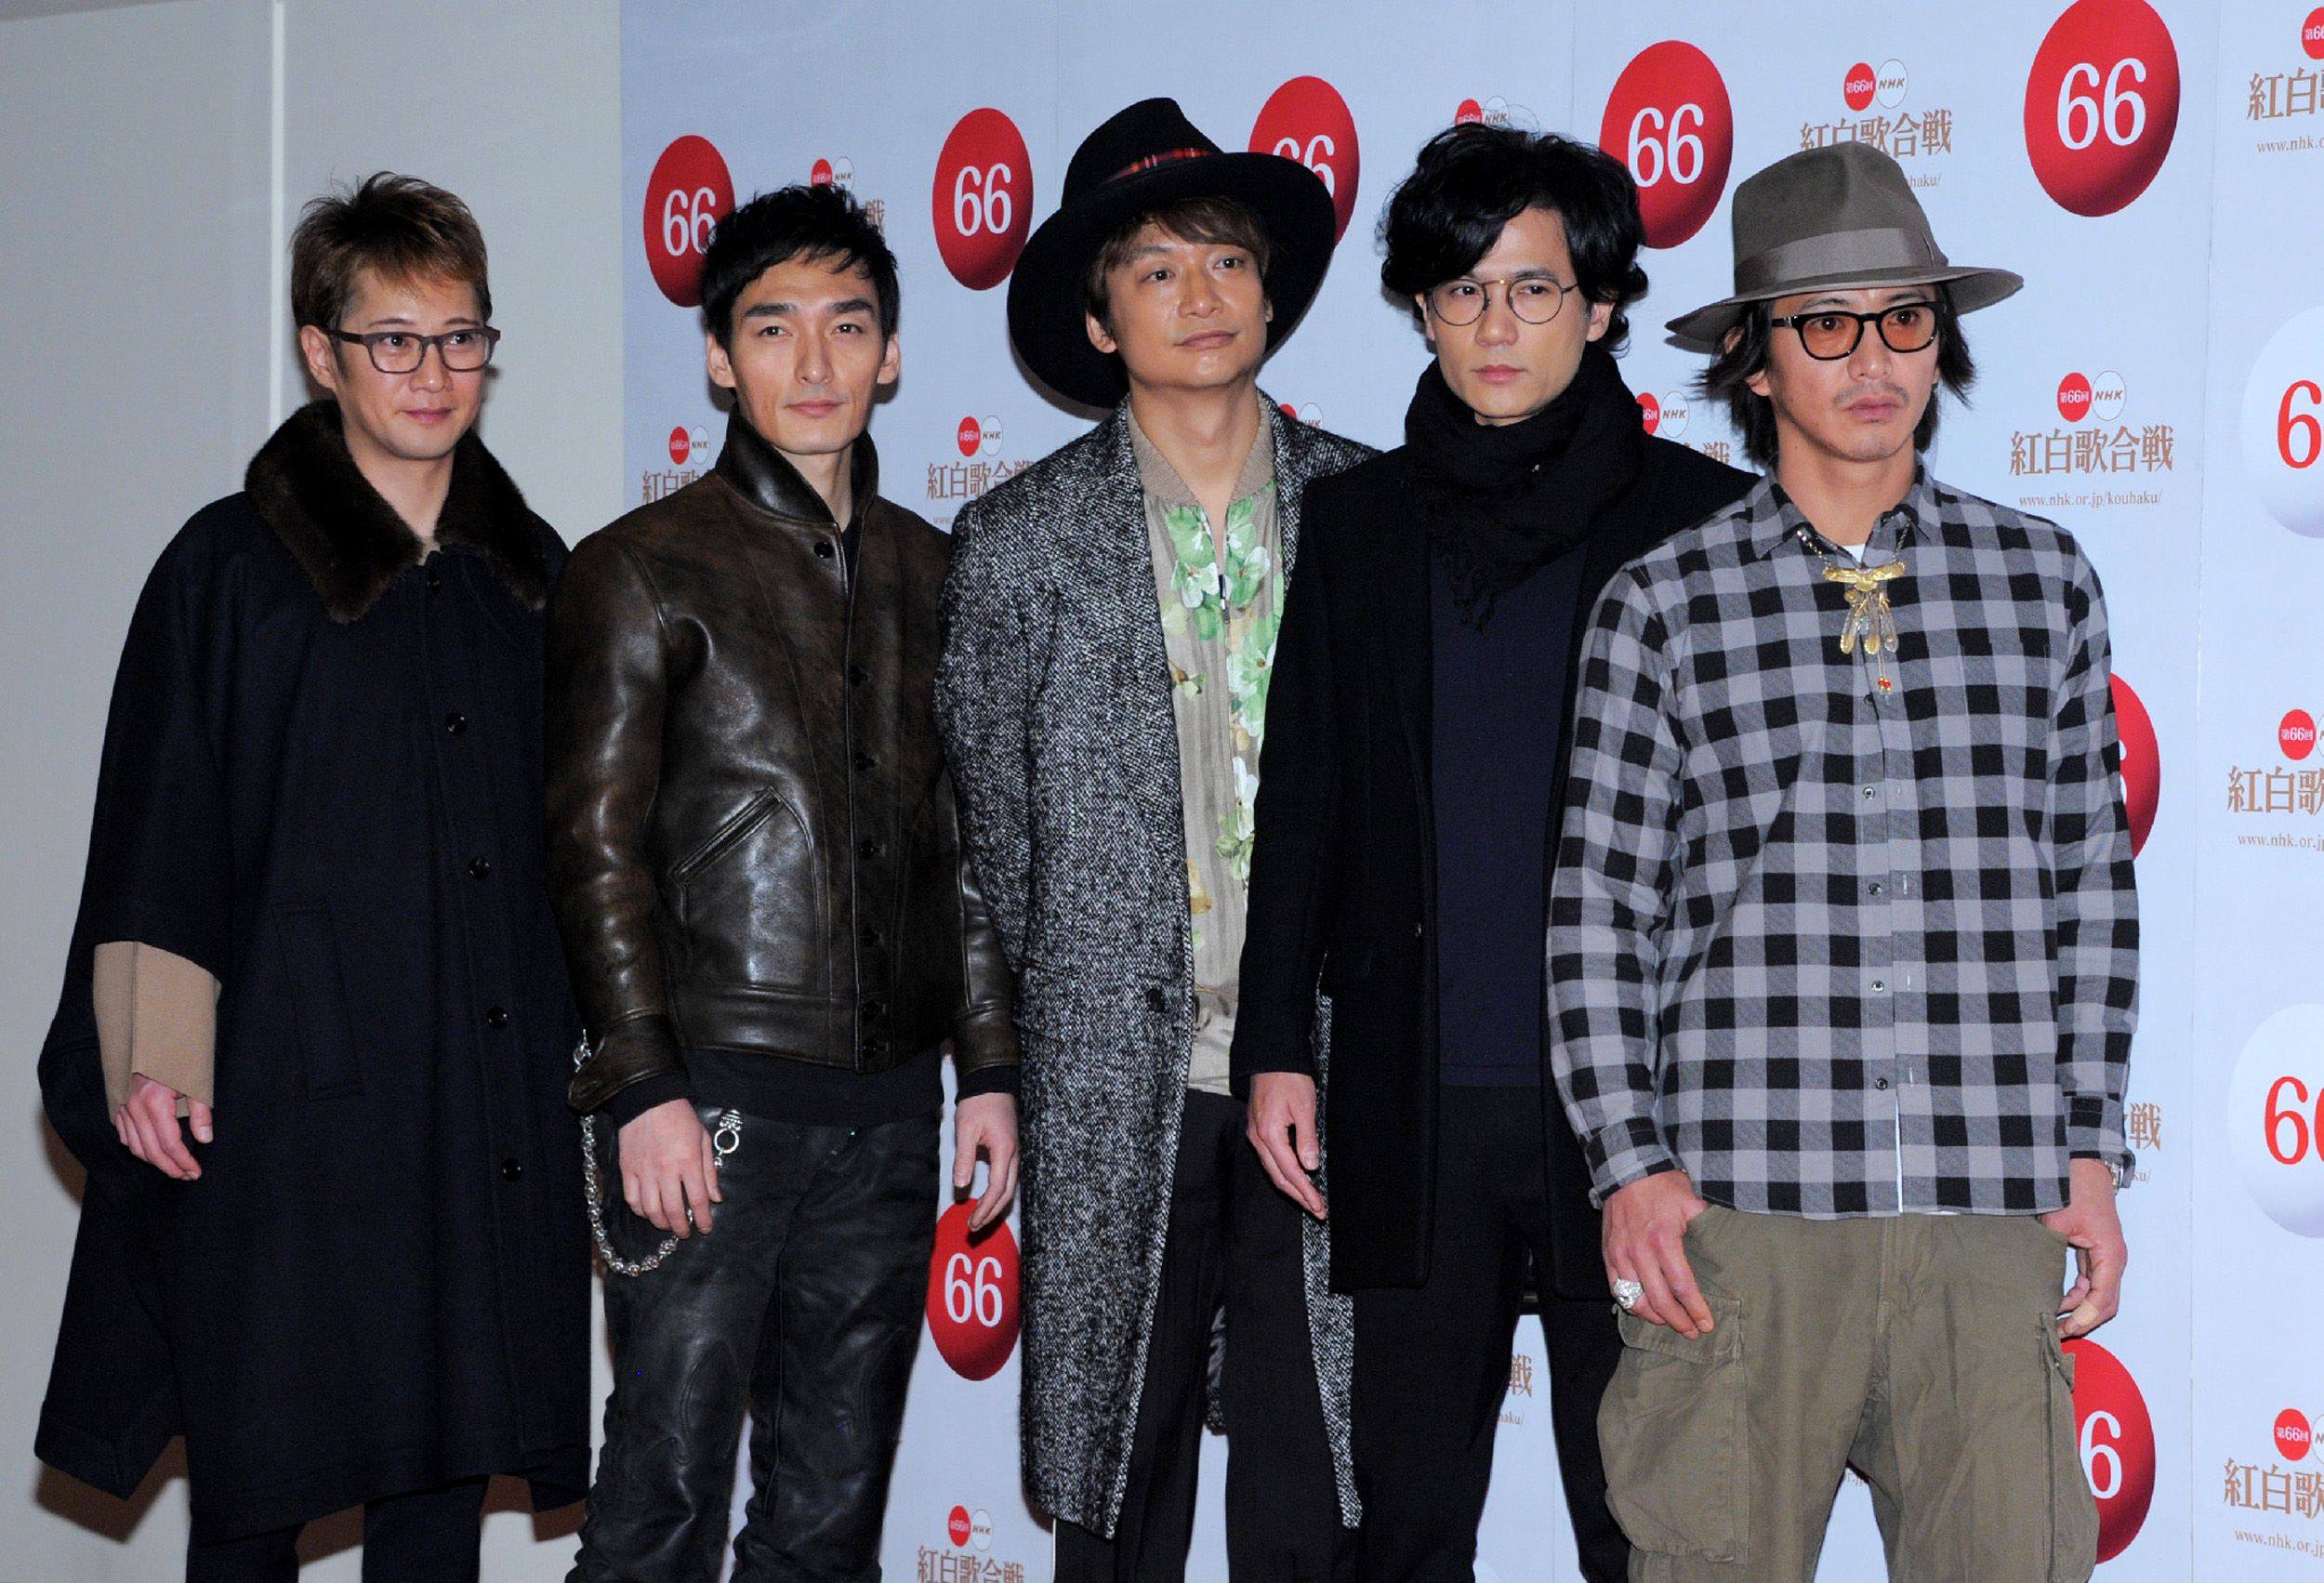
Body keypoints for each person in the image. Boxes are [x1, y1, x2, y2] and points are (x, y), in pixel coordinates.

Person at [1550, 141, 2136, 1580]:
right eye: (1826, 323)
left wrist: (2090, 1145)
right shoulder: (1663, 604)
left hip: (1988, 1209)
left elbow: (2090, 885)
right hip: (1741, 1226)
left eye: (1904, 317)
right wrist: (1631, 1164)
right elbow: (1594, 914)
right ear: (1754, 361)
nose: (1871, 358)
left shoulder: (2042, 577)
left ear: (1941, 340)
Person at [35, 174, 590, 1581]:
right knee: (255, 1489)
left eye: (460, 336)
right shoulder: (229, 570)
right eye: (392, 338)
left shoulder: (537, 581)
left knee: (438, 1495)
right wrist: (150, 1062)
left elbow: (590, 851)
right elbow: (157, 826)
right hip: (281, 1122)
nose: (431, 372)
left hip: (471, 1113)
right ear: (320, 350)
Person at [1233, 123, 1750, 1582]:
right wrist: (1278, 1041)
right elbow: (1308, 798)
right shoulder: (1356, 523)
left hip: (1637, 1116)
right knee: (1407, 1525)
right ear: (1420, 310)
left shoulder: (1701, 524)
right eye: (1460, 292)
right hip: (1416, 1094)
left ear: (1599, 306)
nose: (1493, 326)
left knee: (1644, 1521)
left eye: (1530, 291)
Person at [548, 182, 1020, 1582]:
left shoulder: (941, 573)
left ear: (890, 353)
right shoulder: (636, 570)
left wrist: (987, 1067)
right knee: (662, 1502)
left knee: (828, 1522)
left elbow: (970, 846)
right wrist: (642, 1088)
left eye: (846, 327)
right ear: (716, 355)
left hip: (888, 1113)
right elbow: (590, 850)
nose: (812, 366)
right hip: (713, 1111)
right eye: (772, 329)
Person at [935, 98, 1369, 1582]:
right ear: (1102, 314)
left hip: (1326, 1074)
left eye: (1230, 262)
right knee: (1119, 1493)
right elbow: (987, 853)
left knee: (1318, 1486)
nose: (1203, 296)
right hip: (1117, 1082)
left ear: (1271, 292)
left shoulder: (1368, 514)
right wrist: (993, 1070)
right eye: (1159, 269)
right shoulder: (1015, 545)